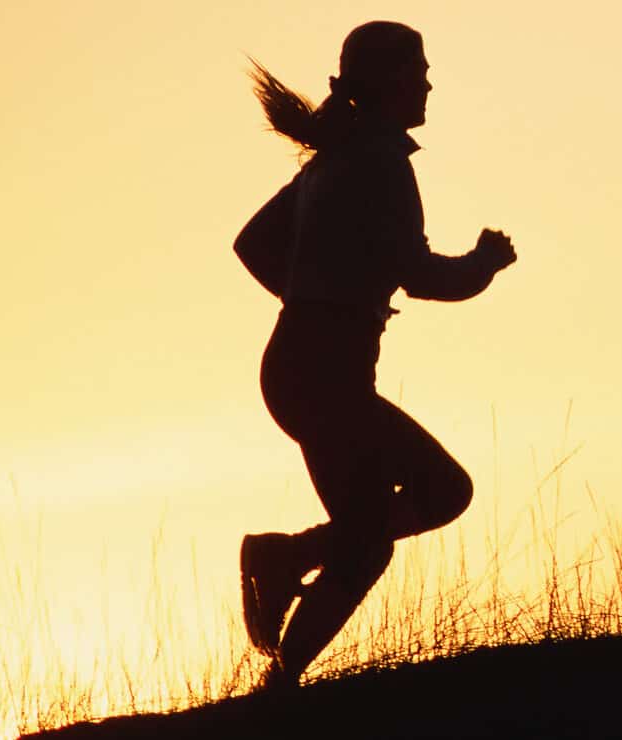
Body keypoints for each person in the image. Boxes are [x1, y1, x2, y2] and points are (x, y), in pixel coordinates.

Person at [235, 20, 517, 690]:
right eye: (415, 70)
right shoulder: (380, 162)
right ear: (387, 82)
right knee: (440, 494)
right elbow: (422, 277)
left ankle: (282, 664)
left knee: (370, 536)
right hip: (325, 378)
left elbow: (254, 245)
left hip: (299, 368)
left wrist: (322, 292)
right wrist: (484, 264)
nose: (426, 83)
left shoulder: (337, 159)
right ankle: (282, 584)